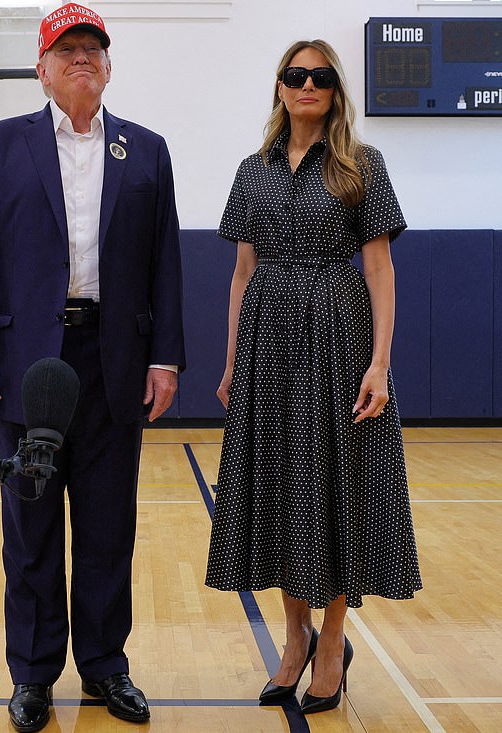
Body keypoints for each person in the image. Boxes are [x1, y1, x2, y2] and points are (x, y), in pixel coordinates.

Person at [0, 4, 185, 730]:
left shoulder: (146, 151)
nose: (82, 57)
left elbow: (164, 265)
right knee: (31, 533)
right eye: (68, 48)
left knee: (109, 527)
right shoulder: (0, 145)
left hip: (114, 360)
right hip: (27, 367)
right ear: (43, 68)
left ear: (108, 68)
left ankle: (106, 667)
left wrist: (166, 357)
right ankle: (32, 674)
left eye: (94, 48)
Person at [205, 40, 422, 715]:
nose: (307, 85)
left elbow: (380, 269)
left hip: (340, 332)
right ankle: (292, 635)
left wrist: (380, 362)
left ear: (334, 90)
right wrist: (233, 360)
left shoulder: (364, 165)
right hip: (268, 335)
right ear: (279, 87)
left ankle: (332, 641)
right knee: (277, 481)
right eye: (295, 75)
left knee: (334, 484)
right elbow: (242, 272)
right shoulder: (251, 170)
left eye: (320, 77)